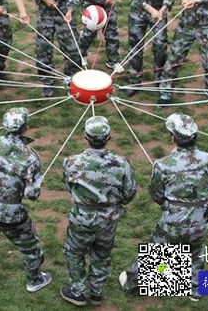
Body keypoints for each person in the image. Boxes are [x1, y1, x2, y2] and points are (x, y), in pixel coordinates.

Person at [119, 113, 208, 302]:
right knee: (196, 251)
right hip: (201, 216)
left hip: (174, 219)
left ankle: (131, 284)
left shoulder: (162, 165)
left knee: (156, 250)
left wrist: (169, 205)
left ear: (173, 137)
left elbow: (156, 193)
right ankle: (195, 289)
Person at [0, 107, 52, 292]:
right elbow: (31, 195)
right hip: (12, 214)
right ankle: (35, 280)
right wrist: (38, 182)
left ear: (3, 125)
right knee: (31, 247)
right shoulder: (30, 157)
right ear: (26, 128)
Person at [61, 116, 136, 306]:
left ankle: (78, 290)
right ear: (109, 137)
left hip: (81, 217)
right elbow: (129, 194)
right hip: (108, 218)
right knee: (102, 254)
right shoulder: (121, 163)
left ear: (85, 136)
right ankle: (97, 293)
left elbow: (69, 187)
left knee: (74, 252)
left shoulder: (71, 162)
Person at [124, 0, 178, 97]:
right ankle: (134, 80)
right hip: (139, 11)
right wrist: (151, 10)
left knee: (160, 44)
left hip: (159, 11)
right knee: (135, 45)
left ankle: (159, 75)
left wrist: (163, 8)